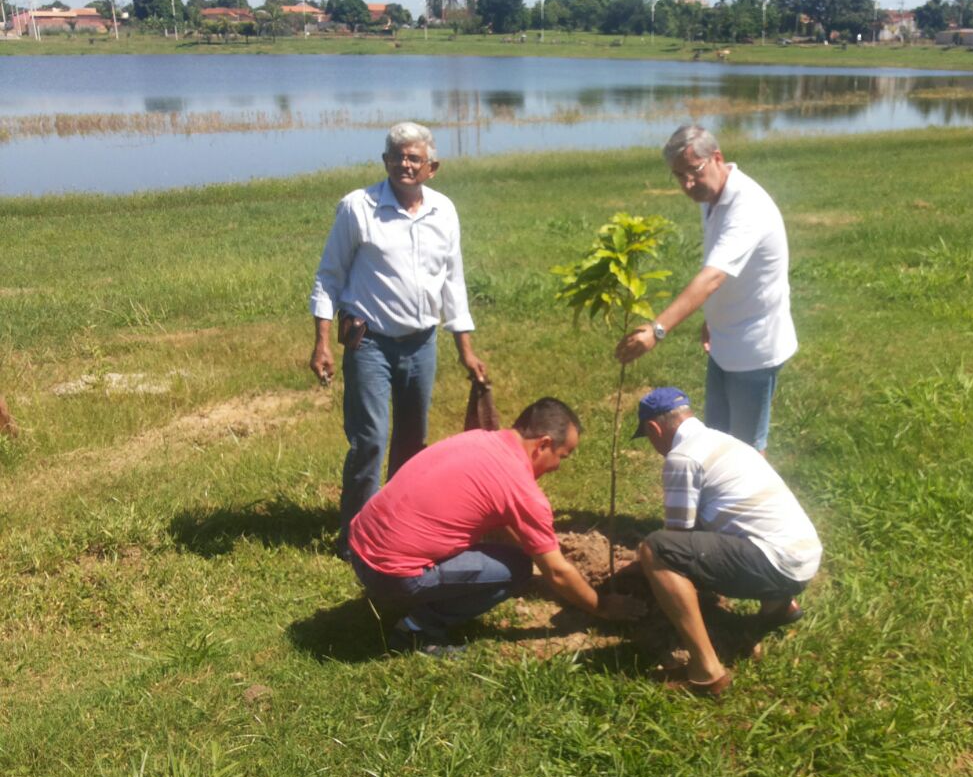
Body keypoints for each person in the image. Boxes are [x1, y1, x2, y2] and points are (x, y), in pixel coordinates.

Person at [348, 397, 644, 655]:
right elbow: (557, 572)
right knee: (516, 568)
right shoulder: (520, 488)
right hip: (387, 574)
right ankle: (416, 628)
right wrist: (602, 606)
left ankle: (410, 593)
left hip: (358, 545)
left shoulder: (479, 439)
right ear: (543, 444)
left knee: (502, 546)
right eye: (561, 457)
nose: (558, 467)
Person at [309, 122, 487, 548]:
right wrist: (321, 341)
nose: (404, 165)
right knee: (369, 439)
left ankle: (399, 525)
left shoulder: (443, 211)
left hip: (422, 343)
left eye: (413, 158)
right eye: (397, 157)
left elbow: (453, 282)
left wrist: (466, 348)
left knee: (413, 441)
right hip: (369, 341)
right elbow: (329, 277)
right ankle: (355, 535)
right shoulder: (358, 207)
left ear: (432, 167)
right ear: (385, 161)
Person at [615, 125, 797, 452]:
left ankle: (747, 503)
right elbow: (726, 268)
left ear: (717, 158)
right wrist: (713, 318)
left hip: (755, 345)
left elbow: (713, 276)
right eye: (678, 175)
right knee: (718, 436)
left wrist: (657, 329)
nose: (687, 184)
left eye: (693, 171)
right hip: (725, 338)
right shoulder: (712, 196)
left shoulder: (746, 207)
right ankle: (718, 501)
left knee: (747, 447)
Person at [633, 387, 821, 695]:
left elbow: (676, 538)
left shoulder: (683, 458)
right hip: (803, 558)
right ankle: (779, 605)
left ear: (654, 429)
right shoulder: (725, 441)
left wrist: (642, 568)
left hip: (773, 563)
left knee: (656, 548)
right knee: (718, 521)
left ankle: (706, 671)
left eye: (649, 438)